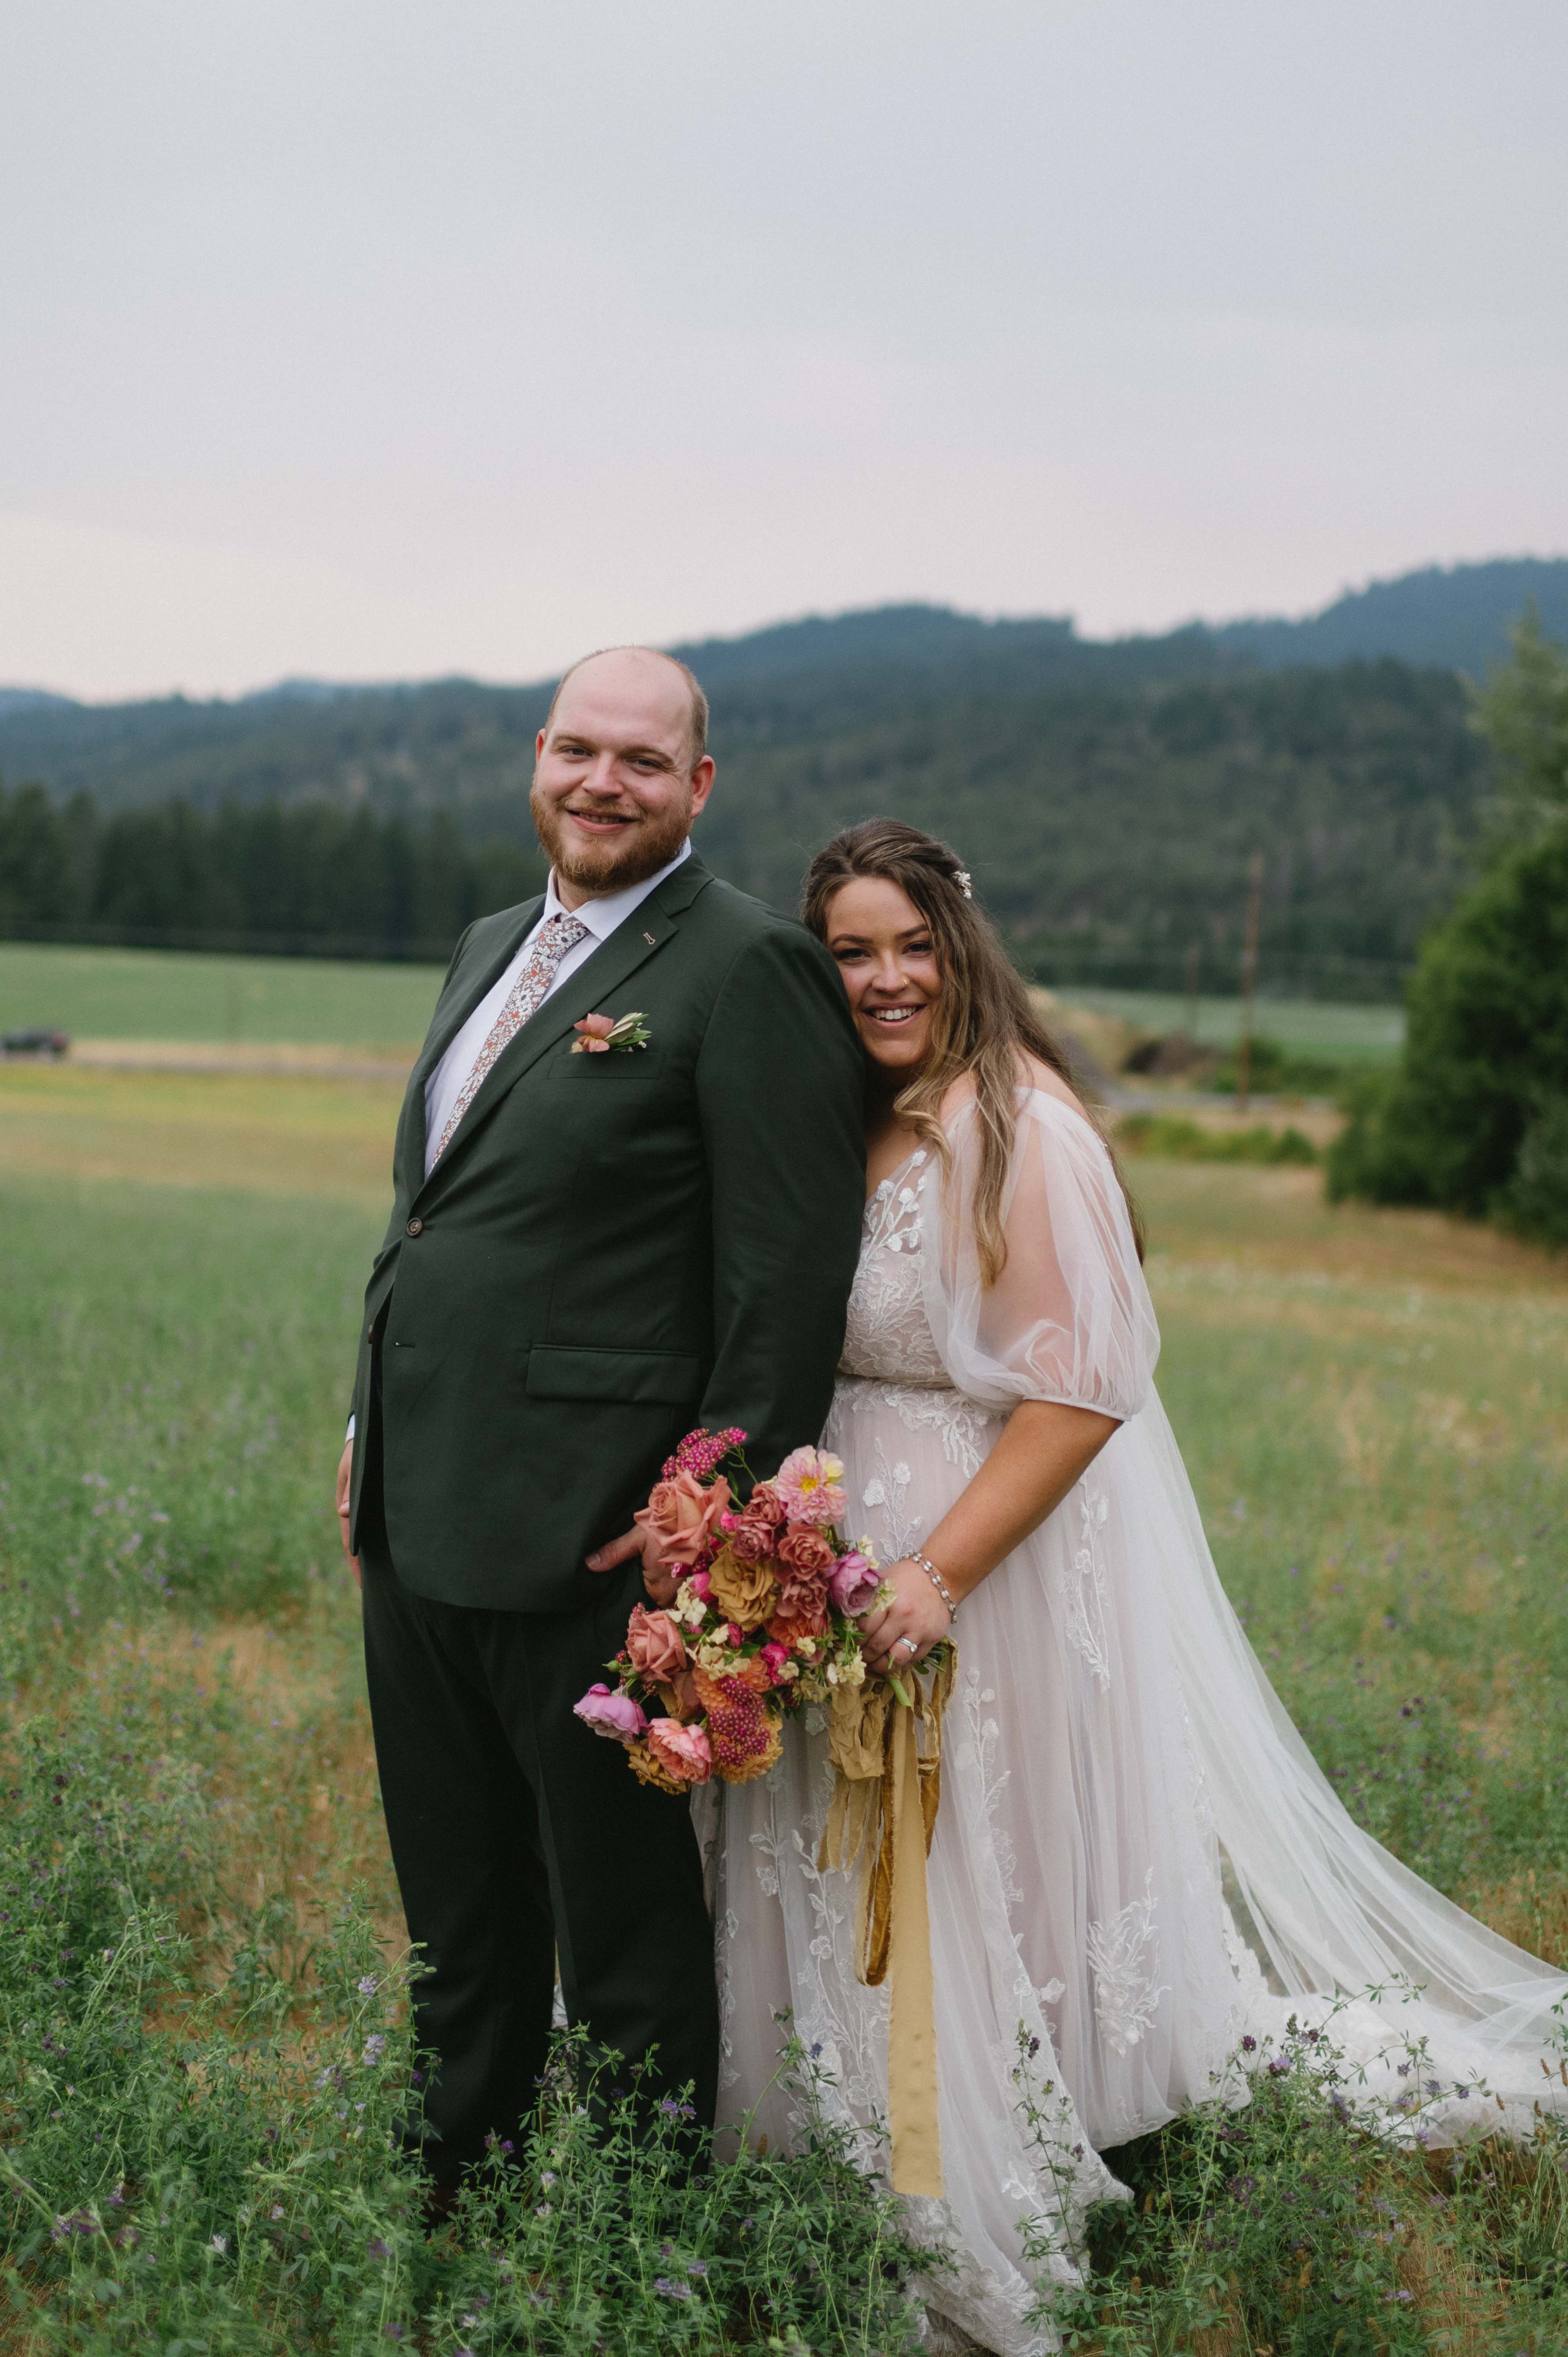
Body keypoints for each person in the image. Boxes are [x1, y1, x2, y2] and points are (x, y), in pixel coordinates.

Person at [714, 817, 1568, 2357]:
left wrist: (936, 1574)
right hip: (836, 1554)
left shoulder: (1021, 1126)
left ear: (963, 947)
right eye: (851, 949)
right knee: (848, 1860)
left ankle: (987, 2133)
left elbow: (1083, 1391)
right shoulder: (856, 1112)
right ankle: (813, 2134)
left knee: (967, 1861)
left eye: (912, 943)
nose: (886, 976)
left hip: (982, 1562)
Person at [336, 646, 865, 2201]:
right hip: (420, 1512)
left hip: (601, 1536)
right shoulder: (494, 941)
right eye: (578, 748)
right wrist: (365, 1430)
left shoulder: (745, 965)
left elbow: (786, 1274)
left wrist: (709, 1506)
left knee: (622, 1928)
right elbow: (424, 1221)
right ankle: (455, 2200)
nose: (602, 782)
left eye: (643, 760)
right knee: (460, 1904)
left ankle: (637, 2245)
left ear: (699, 787)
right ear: (538, 757)